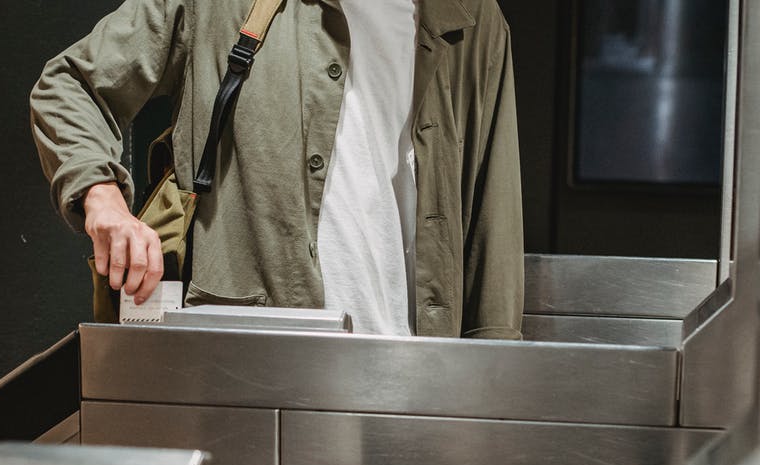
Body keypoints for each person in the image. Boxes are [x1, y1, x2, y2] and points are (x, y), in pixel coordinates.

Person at [31, 0, 524, 338]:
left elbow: (492, 221)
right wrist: (103, 200)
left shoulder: (472, 19)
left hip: (410, 374)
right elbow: (71, 84)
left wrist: (488, 396)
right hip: (251, 366)